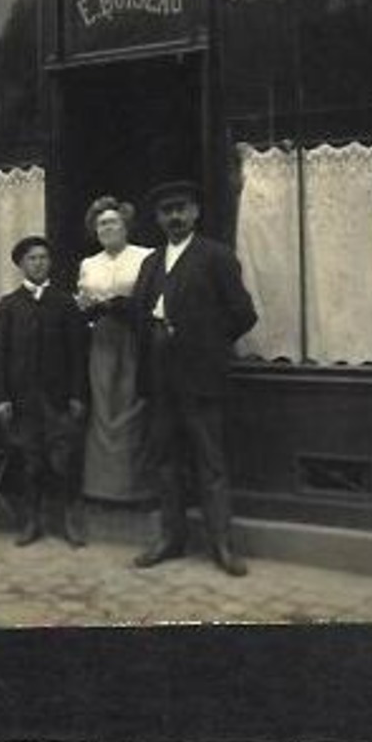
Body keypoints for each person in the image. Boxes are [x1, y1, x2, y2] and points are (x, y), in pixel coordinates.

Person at [130, 180, 258, 575]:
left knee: (211, 463)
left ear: (196, 212)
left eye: (181, 208)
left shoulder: (215, 256)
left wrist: (202, 340)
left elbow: (243, 313)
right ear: (157, 218)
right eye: (166, 211)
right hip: (160, 381)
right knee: (165, 462)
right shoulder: (151, 262)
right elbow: (138, 313)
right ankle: (171, 538)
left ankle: (221, 544)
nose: (174, 217)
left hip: (202, 379)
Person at [0, 235, 89, 547]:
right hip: (22, 401)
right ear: (21, 265)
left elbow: (77, 354)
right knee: (30, 462)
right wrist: (1, 397)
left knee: (62, 462)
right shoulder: (9, 306)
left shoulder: (64, 303)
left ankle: (67, 523)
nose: (39, 263)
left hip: (57, 400)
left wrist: (77, 395)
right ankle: (31, 522)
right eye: (32, 259)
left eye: (44, 258)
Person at [75, 196, 155, 504]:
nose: (106, 228)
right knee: (103, 405)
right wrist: (85, 307)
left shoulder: (145, 257)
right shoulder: (89, 264)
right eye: (100, 224)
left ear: (126, 226)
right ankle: (102, 488)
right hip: (102, 339)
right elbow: (82, 300)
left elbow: (150, 299)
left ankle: (135, 488)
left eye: (112, 222)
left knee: (132, 403)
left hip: (134, 338)